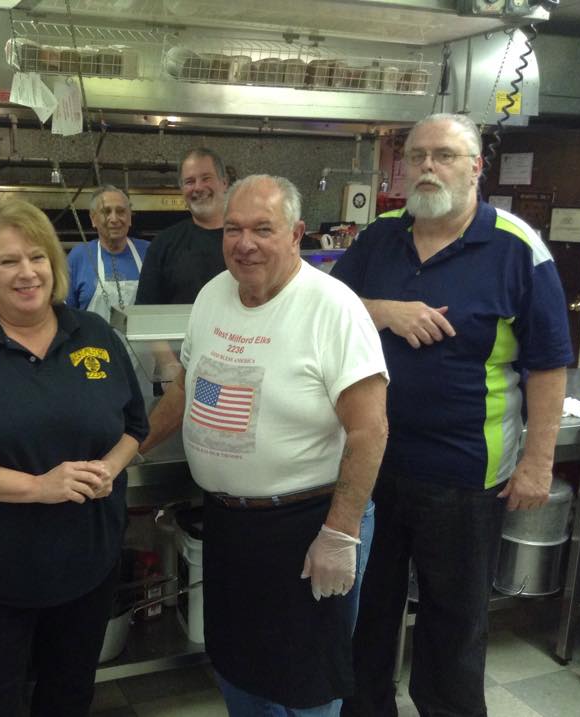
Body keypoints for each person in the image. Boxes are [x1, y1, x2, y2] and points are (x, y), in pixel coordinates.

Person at [331, 113, 572, 717]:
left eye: (444, 155)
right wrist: (385, 310)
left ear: (476, 168)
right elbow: (329, 309)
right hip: (371, 465)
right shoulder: (379, 236)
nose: (428, 167)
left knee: (454, 625)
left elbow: (547, 364)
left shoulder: (518, 248)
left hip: (465, 475)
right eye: (417, 156)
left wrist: (538, 462)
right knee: (365, 612)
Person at [142, 175, 389, 715]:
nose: (244, 243)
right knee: (238, 668)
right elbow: (187, 386)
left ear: (297, 233)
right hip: (230, 523)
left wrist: (340, 532)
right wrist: (130, 448)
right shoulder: (212, 295)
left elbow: (370, 430)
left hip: (309, 526)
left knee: (306, 683)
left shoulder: (333, 307)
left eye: (262, 229)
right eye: (233, 229)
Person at [0, 200, 148, 717]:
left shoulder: (95, 335)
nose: (27, 273)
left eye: (37, 258)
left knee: (67, 697)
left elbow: (134, 427)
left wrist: (110, 466)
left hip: (87, 568)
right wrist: (38, 487)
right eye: (9, 261)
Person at [135, 147, 229, 305]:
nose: (198, 187)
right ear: (182, 190)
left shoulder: (244, 240)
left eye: (206, 178)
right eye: (189, 182)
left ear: (224, 183)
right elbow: (145, 312)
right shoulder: (163, 244)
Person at [66, 185, 150, 321]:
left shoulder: (149, 252)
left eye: (121, 211)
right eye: (106, 212)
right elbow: (65, 314)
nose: (114, 219)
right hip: (92, 341)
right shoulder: (79, 257)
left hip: (138, 341)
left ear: (129, 218)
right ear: (93, 219)